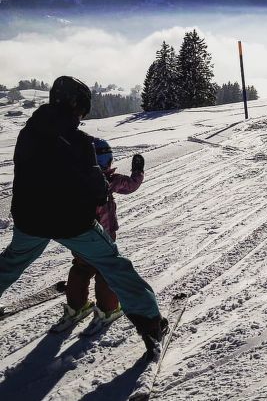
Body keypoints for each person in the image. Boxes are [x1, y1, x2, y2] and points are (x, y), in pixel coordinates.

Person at [0, 76, 166, 353]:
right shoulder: (79, 142)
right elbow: (97, 189)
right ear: (77, 105)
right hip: (72, 223)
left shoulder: (27, 133)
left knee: (11, 263)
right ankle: (150, 323)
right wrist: (101, 187)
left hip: (29, 219)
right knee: (114, 265)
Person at [55, 138, 145, 331]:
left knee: (81, 268)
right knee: (107, 269)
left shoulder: (73, 179)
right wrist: (138, 171)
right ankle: (107, 309)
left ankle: (75, 308)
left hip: (79, 236)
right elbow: (130, 185)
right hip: (102, 236)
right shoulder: (108, 180)